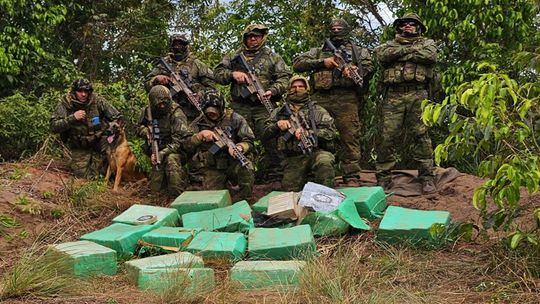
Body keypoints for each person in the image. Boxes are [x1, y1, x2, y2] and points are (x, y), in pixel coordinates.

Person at [293, 18, 374, 186]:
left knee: (349, 136)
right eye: (334, 28)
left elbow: (369, 67)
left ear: (346, 30)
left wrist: (355, 70)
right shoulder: (318, 51)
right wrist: (323, 62)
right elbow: (298, 64)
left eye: (340, 28)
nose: (336, 31)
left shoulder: (358, 52)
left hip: (346, 99)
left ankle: (351, 175)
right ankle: (316, 172)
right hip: (320, 98)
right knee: (313, 132)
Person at [214, 24, 291, 181]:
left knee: (271, 138)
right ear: (245, 39)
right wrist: (232, 74)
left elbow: (285, 77)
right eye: (250, 36)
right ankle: (240, 175)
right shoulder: (233, 56)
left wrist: (273, 90)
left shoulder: (273, 57)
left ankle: (275, 174)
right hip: (240, 105)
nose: (253, 38)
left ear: (263, 38)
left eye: (257, 36)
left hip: (264, 106)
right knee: (237, 139)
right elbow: (217, 74)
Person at [374, 12, 438, 194]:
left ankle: (426, 177)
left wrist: (400, 54)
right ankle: (383, 177)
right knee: (388, 136)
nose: (407, 26)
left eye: (412, 23)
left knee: (421, 135)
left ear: (418, 27)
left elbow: (430, 56)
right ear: (399, 27)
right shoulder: (389, 45)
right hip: (393, 96)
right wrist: (409, 51)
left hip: (418, 94)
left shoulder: (428, 43)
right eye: (404, 24)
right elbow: (382, 56)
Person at [263, 76, 337, 191]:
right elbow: (264, 133)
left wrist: (309, 133)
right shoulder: (279, 112)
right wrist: (277, 125)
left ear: (307, 89)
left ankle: (327, 198)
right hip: (293, 157)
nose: (297, 89)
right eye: (293, 86)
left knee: (325, 162)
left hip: (316, 152)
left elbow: (331, 132)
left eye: (301, 86)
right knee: (290, 191)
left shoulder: (318, 110)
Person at [185, 89, 255, 202]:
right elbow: (185, 146)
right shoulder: (198, 122)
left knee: (247, 167)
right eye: (208, 111)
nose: (211, 114)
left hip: (233, 163)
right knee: (211, 199)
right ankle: (227, 187)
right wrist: (199, 136)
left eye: (215, 110)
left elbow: (249, 140)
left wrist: (240, 147)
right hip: (213, 167)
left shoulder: (235, 118)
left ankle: (245, 200)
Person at [51, 78, 121, 178]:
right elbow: (54, 126)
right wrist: (72, 118)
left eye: (86, 91)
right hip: (79, 144)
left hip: (99, 139)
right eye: (80, 91)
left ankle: (108, 170)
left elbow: (117, 117)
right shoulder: (65, 104)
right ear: (74, 92)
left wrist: (111, 129)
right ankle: (93, 168)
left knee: (116, 151)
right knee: (82, 175)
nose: (83, 94)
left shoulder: (97, 101)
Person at [144, 33, 216, 122]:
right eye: (175, 45)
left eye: (180, 44)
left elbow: (212, 87)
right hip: (168, 113)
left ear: (186, 45)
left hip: (192, 113)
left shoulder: (197, 64)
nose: (178, 47)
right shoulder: (163, 65)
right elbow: (146, 84)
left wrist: (199, 95)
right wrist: (155, 79)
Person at [136, 85, 193, 196]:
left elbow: (179, 142)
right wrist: (145, 131)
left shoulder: (176, 113)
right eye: (159, 104)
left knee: (171, 161)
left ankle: (178, 196)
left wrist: (161, 153)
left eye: (164, 104)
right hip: (158, 149)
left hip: (178, 151)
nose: (162, 106)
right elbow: (137, 127)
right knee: (156, 190)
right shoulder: (148, 111)